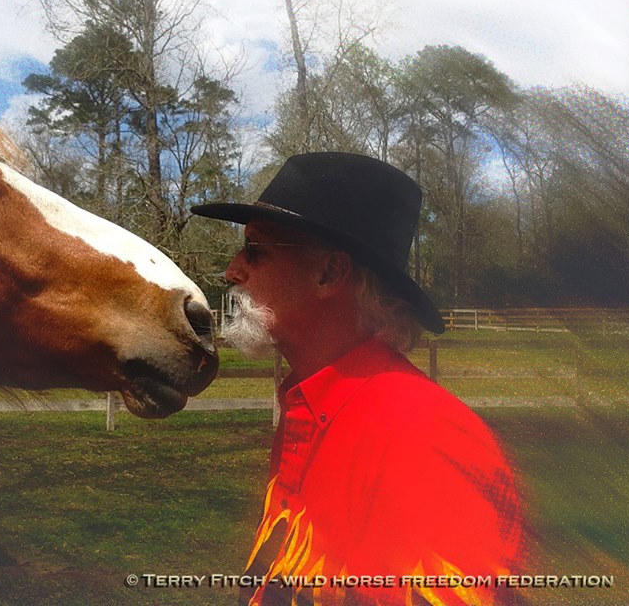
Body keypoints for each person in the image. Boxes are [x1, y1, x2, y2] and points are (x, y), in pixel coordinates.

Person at [191, 153, 523, 606]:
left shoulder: (426, 437)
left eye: (256, 250)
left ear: (328, 273)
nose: (232, 270)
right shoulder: (308, 408)